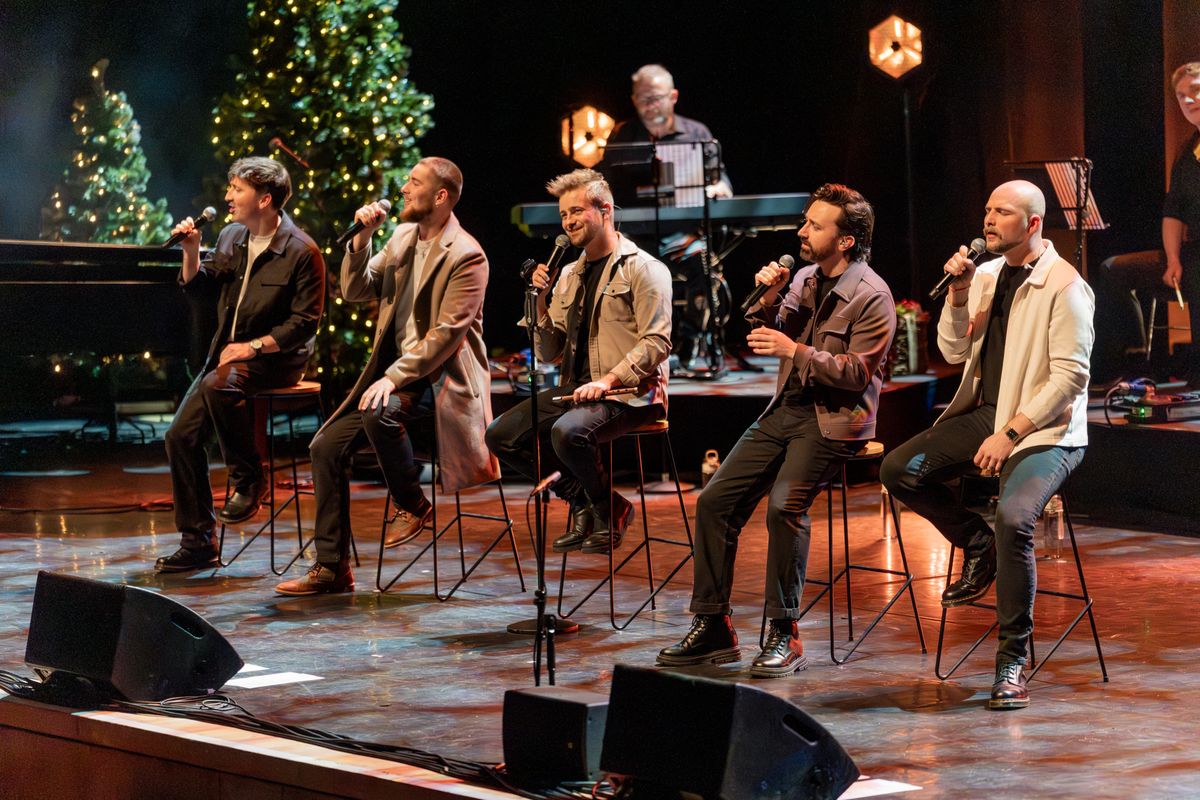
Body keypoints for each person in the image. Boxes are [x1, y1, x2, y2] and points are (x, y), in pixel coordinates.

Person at [657, 183, 895, 677]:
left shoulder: (873, 295)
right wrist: (767, 296)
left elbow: (856, 374)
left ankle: (784, 631)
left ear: (846, 240)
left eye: (814, 225)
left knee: (785, 507)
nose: (802, 231)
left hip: (835, 418)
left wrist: (796, 352)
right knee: (714, 501)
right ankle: (714, 626)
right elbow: (770, 329)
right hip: (786, 409)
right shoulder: (804, 277)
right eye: (805, 221)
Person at [879, 180, 1095, 710]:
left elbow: (1070, 378)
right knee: (899, 469)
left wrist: (1011, 432)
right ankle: (979, 546)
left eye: (1002, 212)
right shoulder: (985, 275)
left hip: (1045, 430)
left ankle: (1012, 660)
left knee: (1015, 520)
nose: (989, 220)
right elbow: (954, 351)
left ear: (1033, 223)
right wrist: (958, 294)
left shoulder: (1065, 286)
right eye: (987, 210)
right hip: (987, 415)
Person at [275, 157, 497, 596]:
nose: (403, 190)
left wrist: (393, 378)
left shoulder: (467, 255)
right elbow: (356, 290)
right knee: (325, 446)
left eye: (414, 182)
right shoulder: (401, 237)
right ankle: (332, 568)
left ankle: (412, 504)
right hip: (396, 378)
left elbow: (444, 337)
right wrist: (362, 239)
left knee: (382, 412)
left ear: (441, 196)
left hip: (441, 381)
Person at [485, 168, 672, 555]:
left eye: (576, 211)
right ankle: (593, 503)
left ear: (605, 210)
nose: (568, 222)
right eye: (563, 215)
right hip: (577, 389)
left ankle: (601, 509)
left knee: (567, 433)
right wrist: (539, 299)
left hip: (630, 393)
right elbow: (548, 352)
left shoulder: (645, 269)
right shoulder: (569, 274)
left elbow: (657, 342)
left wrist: (608, 381)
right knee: (500, 435)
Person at [156, 157, 325, 573]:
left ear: (264, 199)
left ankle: (250, 478)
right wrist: (192, 252)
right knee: (179, 437)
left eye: (237, 189)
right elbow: (201, 291)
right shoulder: (233, 236)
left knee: (220, 384)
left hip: (277, 359)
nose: (228, 196)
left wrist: (253, 347)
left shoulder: (302, 251)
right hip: (229, 357)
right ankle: (198, 543)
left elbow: (304, 323)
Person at [605, 63, 732, 199]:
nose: (650, 105)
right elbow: (605, 179)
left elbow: (718, 176)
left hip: (690, 211)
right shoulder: (621, 135)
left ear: (673, 97)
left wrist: (721, 187)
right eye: (642, 98)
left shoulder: (697, 133)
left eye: (656, 98)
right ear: (634, 100)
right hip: (636, 212)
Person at [1161, 61, 1200, 383]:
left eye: (1195, 90)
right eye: (1180, 95)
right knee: (1114, 271)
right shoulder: (1188, 151)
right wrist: (1173, 258)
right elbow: (1173, 210)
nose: (1188, 100)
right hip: (1195, 248)